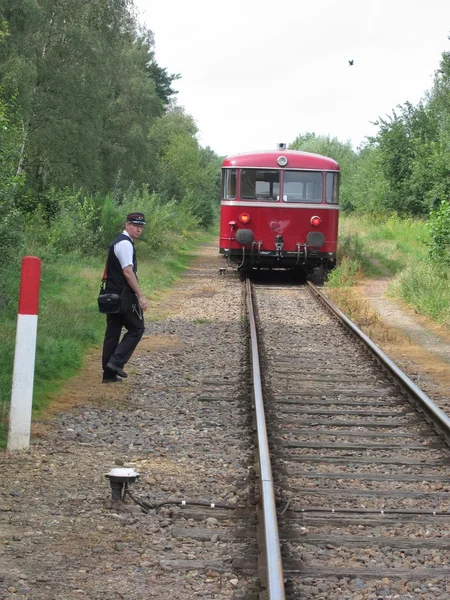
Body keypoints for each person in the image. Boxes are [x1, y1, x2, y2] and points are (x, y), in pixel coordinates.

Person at [101, 212, 149, 383]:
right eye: (135, 225)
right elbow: (128, 272)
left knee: (113, 333)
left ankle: (108, 375)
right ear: (127, 224)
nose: (138, 229)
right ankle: (115, 362)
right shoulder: (125, 243)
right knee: (137, 329)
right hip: (123, 296)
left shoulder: (118, 241)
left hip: (111, 295)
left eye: (141, 226)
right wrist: (141, 296)